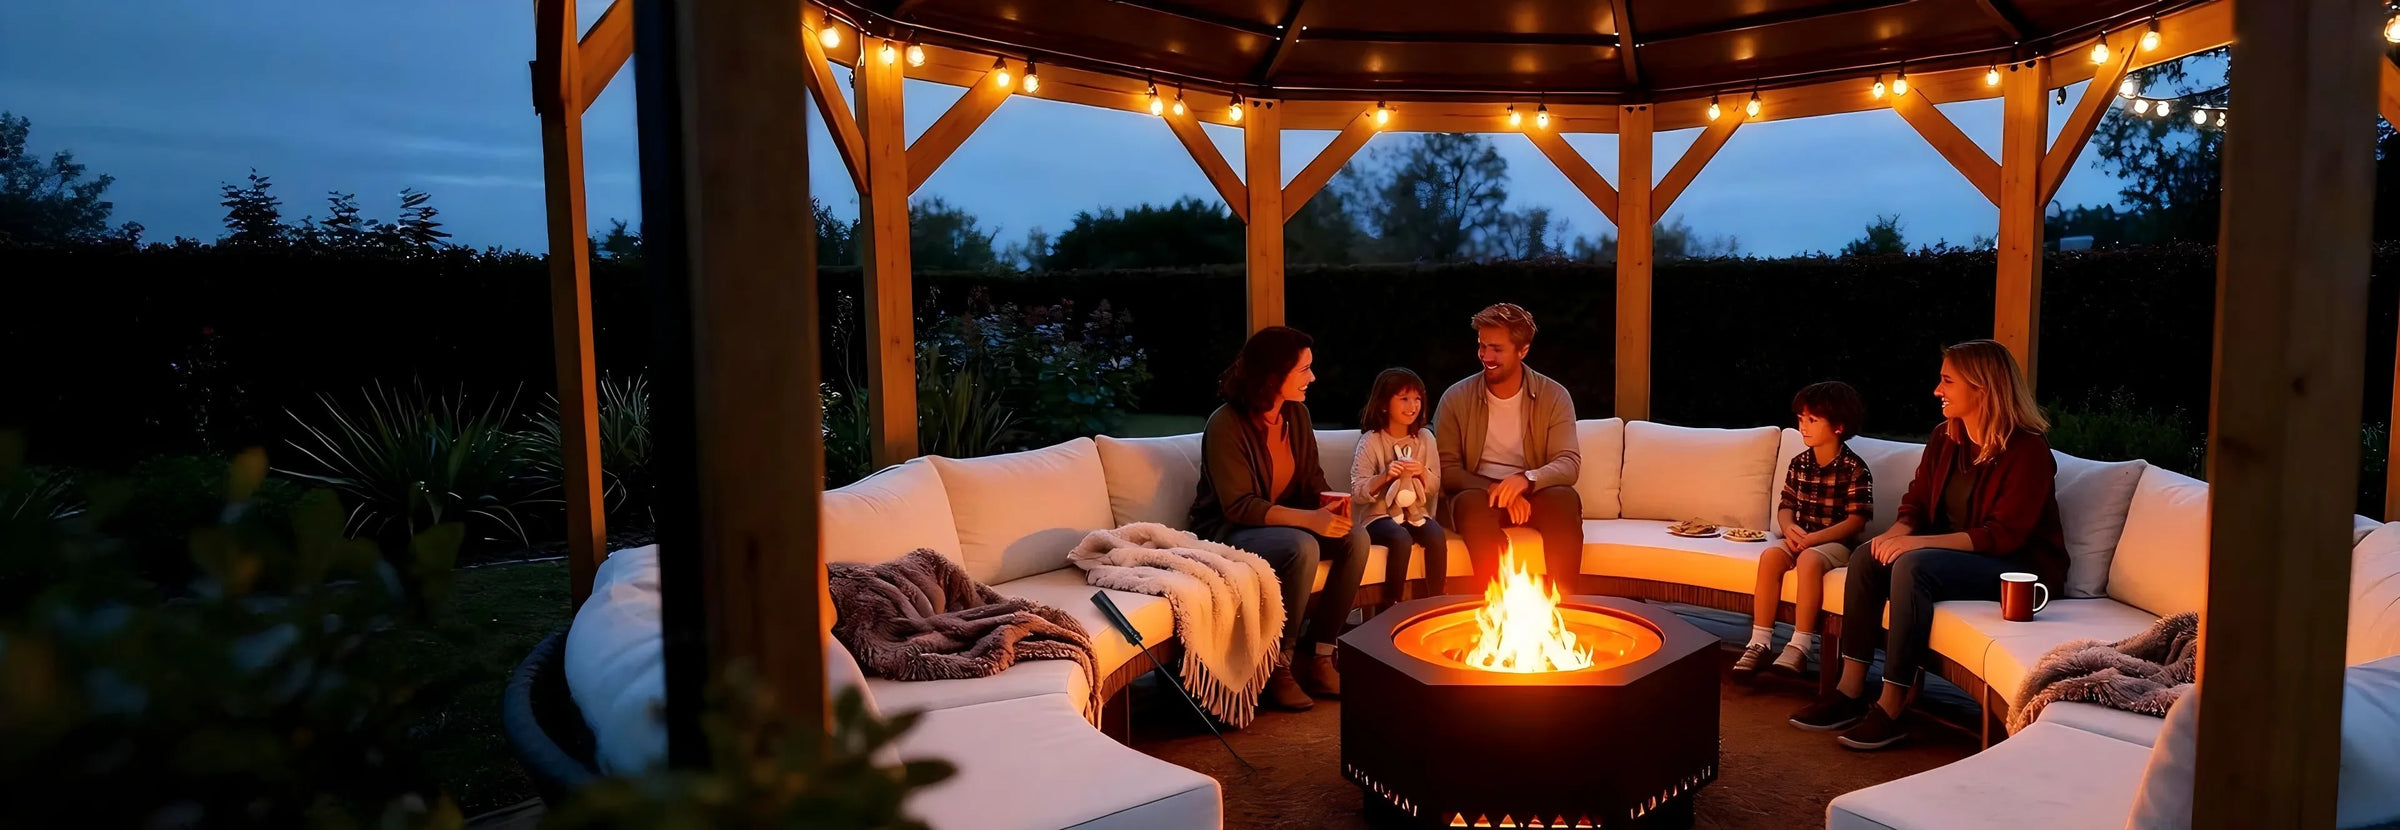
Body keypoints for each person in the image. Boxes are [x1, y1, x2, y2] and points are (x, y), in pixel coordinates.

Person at [1789, 340, 2065, 751]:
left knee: (1913, 566)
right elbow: (1916, 501)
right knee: (1867, 557)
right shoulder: (1945, 437)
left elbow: (2002, 535)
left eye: (1947, 380)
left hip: (2014, 568)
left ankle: (1893, 706)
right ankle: (1849, 692)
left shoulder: (2027, 449)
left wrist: (1917, 545)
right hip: (1953, 554)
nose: (1938, 390)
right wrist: (1896, 532)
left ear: (1981, 387)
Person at [1189, 326, 1371, 712]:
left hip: (1282, 526)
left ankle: (1320, 653)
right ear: (1274, 375)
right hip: (1229, 530)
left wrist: (1332, 509)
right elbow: (1239, 505)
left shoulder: (1297, 415)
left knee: (1357, 538)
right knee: (1302, 546)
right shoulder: (1226, 424)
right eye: (1304, 370)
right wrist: (1310, 521)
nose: (1312, 378)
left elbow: (1310, 479)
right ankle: (1277, 662)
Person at [1733, 381, 1874, 683]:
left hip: (1835, 543)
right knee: (1771, 556)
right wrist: (1790, 529)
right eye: (1800, 419)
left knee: (1809, 560)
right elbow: (1785, 506)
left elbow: (1857, 521)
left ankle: (1800, 645)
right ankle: (1759, 641)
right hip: (1801, 536)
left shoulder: (1854, 468)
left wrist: (1813, 540)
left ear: (1838, 426)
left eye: (1812, 420)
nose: (1803, 427)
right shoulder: (1799, 464)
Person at [1433, 303, 1583, 586]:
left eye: (1497, 349)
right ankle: (1493, 613)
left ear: (1522, 350)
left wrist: (1525, 480)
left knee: (1564, 500)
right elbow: (1447, 469)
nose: (1486, 356)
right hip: (1479, 494)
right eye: (1482, 346)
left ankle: (1563, 609)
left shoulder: (1554, 396)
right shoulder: (1456, 398)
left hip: (1532, 493)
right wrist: (1497, 489)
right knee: (1470, 505)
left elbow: (1568, 463)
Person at [1350, 368, 1446, 606]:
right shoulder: (1372, 440)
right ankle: (1391, 605)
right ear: (1384, 404)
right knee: (1400, 538)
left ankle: (1435, 601)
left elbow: (1434, 486)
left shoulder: (1425, 438)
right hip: (1378, 517)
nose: (1412, 406)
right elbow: (1358, 491)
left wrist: (1422, 472)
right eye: (1403, 399)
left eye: (1417, 399)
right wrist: (1384, 476)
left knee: (1435, 535)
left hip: (1415, 514)